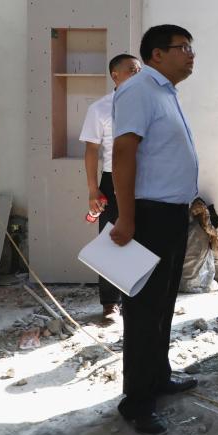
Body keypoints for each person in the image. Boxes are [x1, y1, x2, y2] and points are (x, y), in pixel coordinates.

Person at [110, 25, 199, 435]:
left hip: (171, 213)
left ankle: (158, 377)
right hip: (148, 215)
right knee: (144, 309)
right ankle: (137, 401)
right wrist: (126, 217)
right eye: (183, 48)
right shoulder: (139, 90)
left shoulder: (165, 91)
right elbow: (123, 152)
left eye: (191, 48)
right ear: (157, 54)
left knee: (163, 303)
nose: (191, 54)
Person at [79, 53, 142, 322]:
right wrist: (93, 190)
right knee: (111, 239)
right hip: (112, 179)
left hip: (146, 180)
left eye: (140, 70)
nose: (138, 74)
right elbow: (91, 151)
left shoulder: (148, 104)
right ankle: (110, 302)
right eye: (132, 70)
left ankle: (136, 300)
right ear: (115, 75)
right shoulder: (101, 108)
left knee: (143, 238)